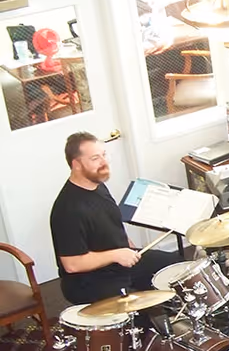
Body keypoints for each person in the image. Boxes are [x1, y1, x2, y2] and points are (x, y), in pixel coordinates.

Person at [50, 131, 180, 306]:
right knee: (139, 313)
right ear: (76, 165)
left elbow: (109, 223)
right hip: (89, 280)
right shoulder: (68, 209)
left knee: (176, 266)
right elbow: (72, 264)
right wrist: (117, 254)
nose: (104, 163)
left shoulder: (97, 185)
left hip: (119, 262)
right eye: (95, 158)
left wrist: (127, 245)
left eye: (104, 155)